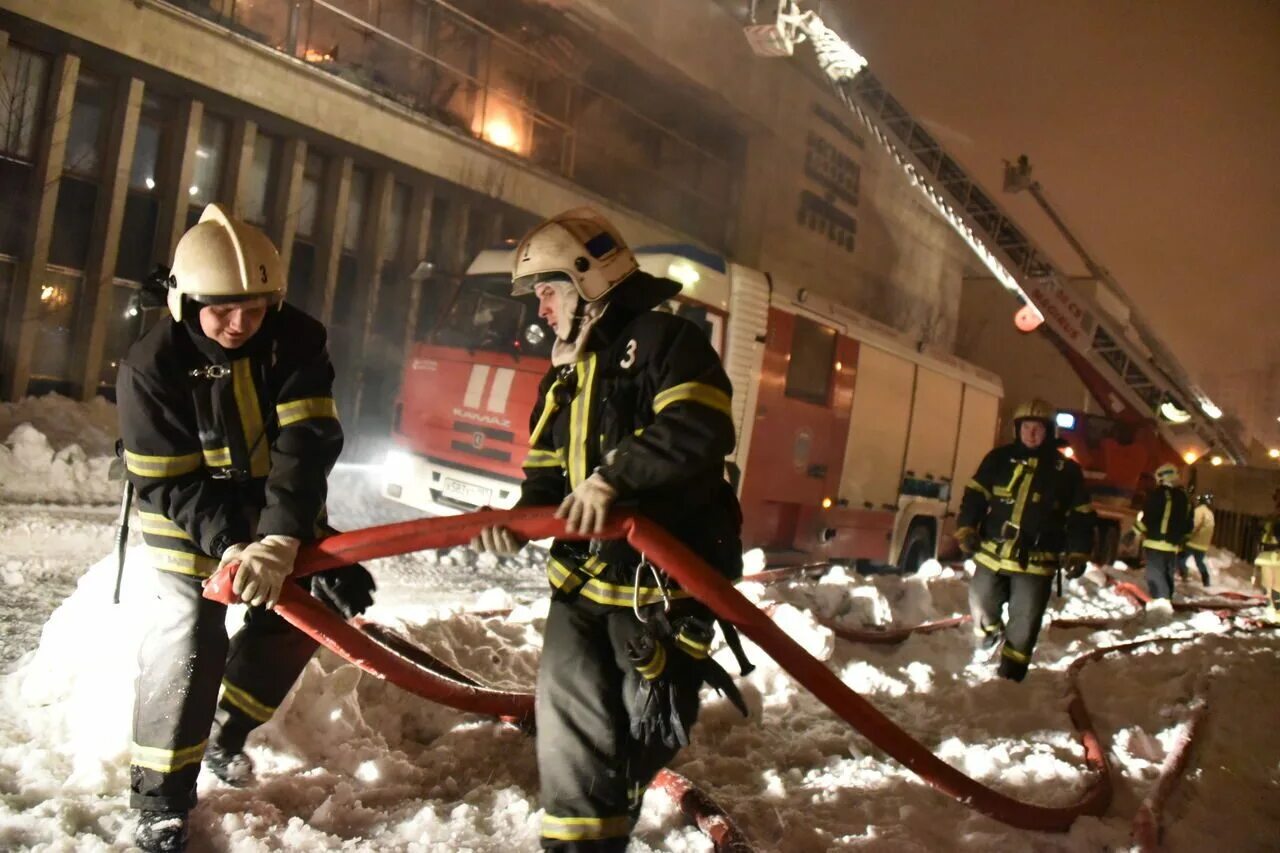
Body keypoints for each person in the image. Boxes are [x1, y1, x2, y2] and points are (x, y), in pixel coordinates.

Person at [471, 207, 748, 851]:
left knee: (650, 731)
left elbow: (698, 428)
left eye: (546, 290)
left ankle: (612, 803)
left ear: (586, 278)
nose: (539, 309)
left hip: (660, 593)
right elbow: (543, 476)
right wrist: (517, 523)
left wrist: (612, 480)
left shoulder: (665, 343)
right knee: (570, 728)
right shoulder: (564, 374)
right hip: (580, 584)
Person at [117, 204, 374, 852]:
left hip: (272, 510)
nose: (239, 324)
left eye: (255, 309)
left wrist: (286, 538)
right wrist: (234, 546)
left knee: (302, 611)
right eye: (222, 309)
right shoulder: (151, 365)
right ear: (185, 302)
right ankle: (160, 799)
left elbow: (305, 442)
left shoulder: (296, 340)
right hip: (189, 521)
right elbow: (169, 482)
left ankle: (226, 734)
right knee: (189, 637)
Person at [954, 399, 1095, 682]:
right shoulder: (998, 459)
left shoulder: (1065, 471)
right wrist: (967, 528)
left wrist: (1079, 552)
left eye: (1038, 428)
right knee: (981, 601)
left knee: (1025, 623)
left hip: (1036, 561)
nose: (1032, 434)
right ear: (1017, 429)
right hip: (993, 553)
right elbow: (975, 495)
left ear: (1048, 432)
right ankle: (990, 637)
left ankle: (1010, 677)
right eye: (1026, 427)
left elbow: (1080, 515)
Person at [1133, 463, 1191, 601]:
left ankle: (1161, 605)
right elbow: (1188, 522)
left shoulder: (1157, 495)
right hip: (1172, 546)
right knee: (1167, 575)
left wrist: (1133, 533)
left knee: (1155, 576)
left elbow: (1149, 517)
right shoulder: (1183, 497)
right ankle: (1167, 601)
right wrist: (1182, 541)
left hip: (1155, 543)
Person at [1255, 487, 1280, 624]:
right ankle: (1272, 612)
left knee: (1277, 587)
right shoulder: (1272, 517)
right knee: (1268, 586)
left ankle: (1277, 614)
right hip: (1268, 556)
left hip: (1277, 556)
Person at [1180, 492, 1214, 586]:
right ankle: (1206, 580)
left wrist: (1186, 536)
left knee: (1181, 559)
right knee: (1200, 563)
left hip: (1193, 542)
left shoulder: (1199, 511)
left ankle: (1184, 576)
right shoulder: (1210, 514)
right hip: (1203, 545)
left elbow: (1194, 525)